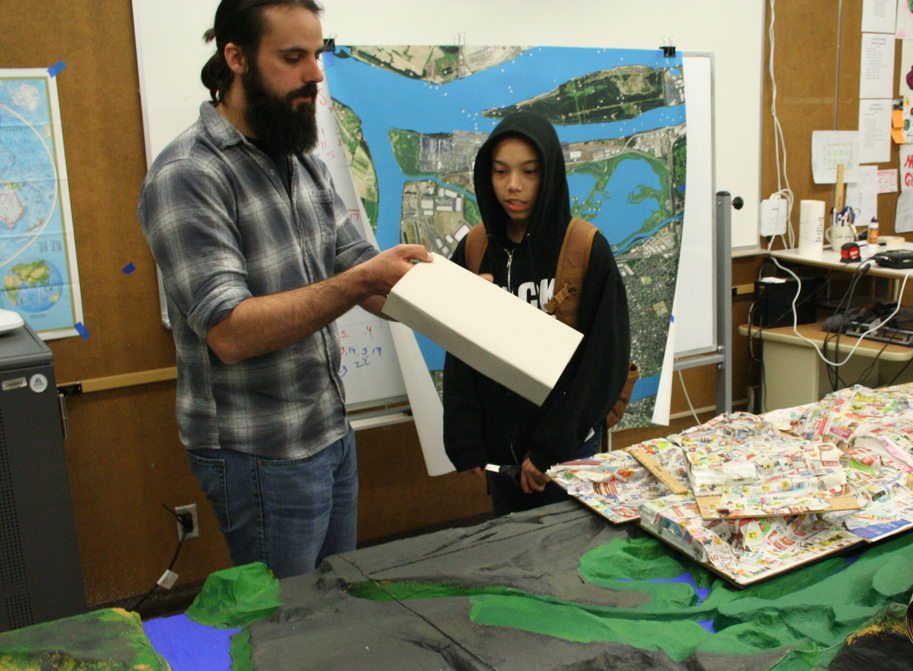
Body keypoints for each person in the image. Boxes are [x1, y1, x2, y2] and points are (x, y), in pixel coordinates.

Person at [137, 0, 430, 578]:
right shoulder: (189, 175)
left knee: (332, 600)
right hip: (259, 455)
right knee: (285, 624)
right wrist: (363, 278)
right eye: (293, 58)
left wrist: (455, 301)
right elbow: (230, 331)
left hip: (329, 432)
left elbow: (361, 273)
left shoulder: (302, 162)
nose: (316, 75)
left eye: (316, 56)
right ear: (236, 57)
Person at [442, 112, 631, 517]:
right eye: (500, 171)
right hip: (502, 456)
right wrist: (466, 441)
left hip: (567, 451)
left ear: (549, 174)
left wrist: (548, 451)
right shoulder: (475, 249)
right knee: (513, 559)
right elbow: (459, 352)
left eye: (529, 172)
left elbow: (603, 362)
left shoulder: (585, 248)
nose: (514, 185)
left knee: (569, 563)